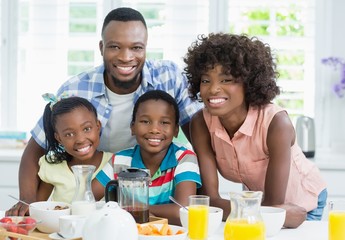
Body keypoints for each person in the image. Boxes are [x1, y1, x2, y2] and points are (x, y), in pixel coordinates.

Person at [7, 7, 202, 216]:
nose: (126, 57)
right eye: (115, 47)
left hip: (157, 185)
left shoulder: (168, 77)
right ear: (101, 47)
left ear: (145, 47)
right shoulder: (75, 89)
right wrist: (27, 198)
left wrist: (205, 198)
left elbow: (199, 134)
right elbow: (35, 148)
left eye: (136, 47)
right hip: (105, 177)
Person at [183, 33, 327, 228]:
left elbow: (273, 208)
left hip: (303, 207)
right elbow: (210, 201)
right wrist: (253, 211)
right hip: (265, 211)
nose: (213, 89)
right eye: (206, 80)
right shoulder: (201, 122)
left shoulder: (276, 123)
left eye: (226, 80)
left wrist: (242, 211)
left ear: (249, 83)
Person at [97, 90, 201, 225]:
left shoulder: (184, 158)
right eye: (145, 121)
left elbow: (181, 212)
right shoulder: (120, 160)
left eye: (164, 122)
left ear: (176, 130)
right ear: (132, 127)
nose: (154, 129)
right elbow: (87, 197)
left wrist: (132, 210)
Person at [37, 94, 114, 203]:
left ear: (98, 126)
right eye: (69, 134)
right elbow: (36, 207)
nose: (80, 140)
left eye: (87, 129)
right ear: (59, 138)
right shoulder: (53, 167)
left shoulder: (113, 163)